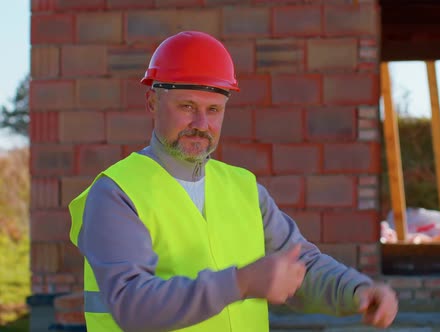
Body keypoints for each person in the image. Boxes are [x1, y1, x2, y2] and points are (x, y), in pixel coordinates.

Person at [68, 31, 398, 332]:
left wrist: (357, 290)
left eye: (214, 109)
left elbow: (300, 268)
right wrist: (240, 283)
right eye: (187, 107)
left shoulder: (244, 189)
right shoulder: (116, 193)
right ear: (153, 103)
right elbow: (133, 304)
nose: (201, 123)